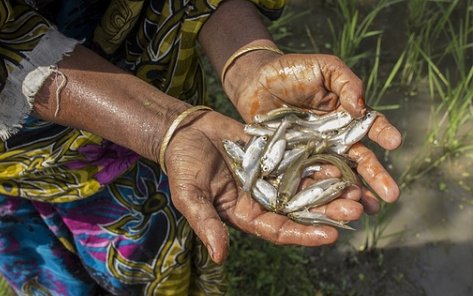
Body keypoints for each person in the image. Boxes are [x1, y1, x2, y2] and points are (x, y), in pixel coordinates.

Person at [0, 0, 401, 295]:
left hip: (160, 147)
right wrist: (164, 128)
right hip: (19, 159)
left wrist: (245, 62)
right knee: (49, 273)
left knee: (148, 269)